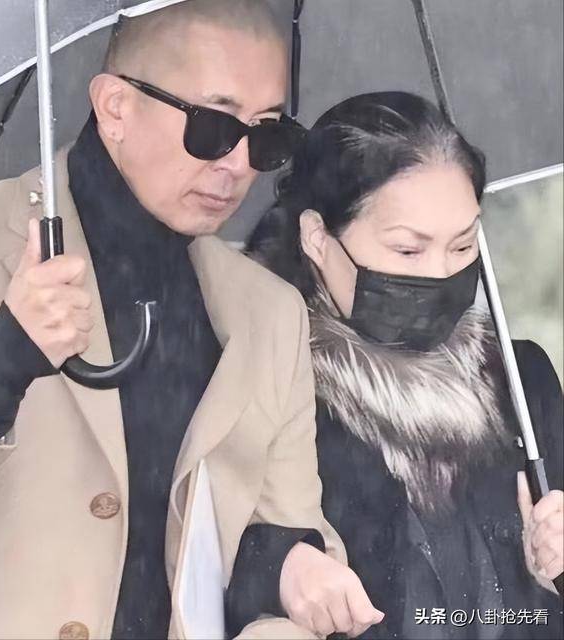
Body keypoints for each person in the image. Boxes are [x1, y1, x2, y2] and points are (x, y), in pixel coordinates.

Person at [0, 2, 385, 638]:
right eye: (213, 127)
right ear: (115, 107)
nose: (238, 164)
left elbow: (282, 535)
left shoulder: (269, 313)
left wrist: (287, 568)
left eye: (267, 136)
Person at [226, 92, 563, 640]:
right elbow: (202, 554)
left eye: (462, 245)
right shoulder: (268, 387)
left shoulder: (520, 381)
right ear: (317, 237)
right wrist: (280, 565)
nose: (439, 274)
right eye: (408, 250)